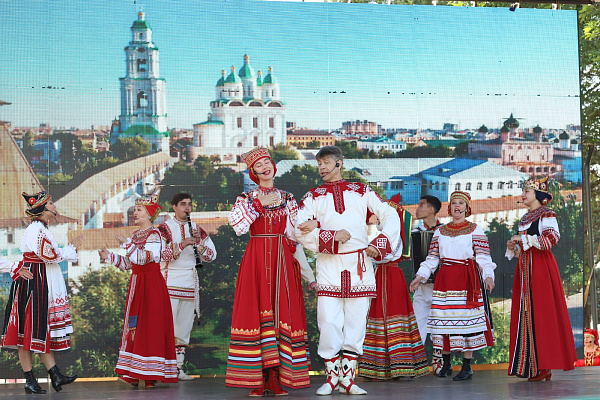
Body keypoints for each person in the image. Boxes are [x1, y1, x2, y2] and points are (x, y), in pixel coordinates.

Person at [295, 145, 400, 395]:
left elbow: (390, 214)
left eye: (326, 162)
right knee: (328, 321)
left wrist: (380, 244)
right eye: (319, 163)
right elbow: (298, 229)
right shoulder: (313, 196)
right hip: (329, 264)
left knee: (356, 323)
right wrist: (331, 235)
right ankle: (332, 378)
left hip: (359, 265)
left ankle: (348, 379)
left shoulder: (361, 190)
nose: (321, 167)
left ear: (339, 163)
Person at [226, 147, 315, 397]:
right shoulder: (245, 198)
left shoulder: (288, 198)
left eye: (267, 162)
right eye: (258, 165)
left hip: (281, 258)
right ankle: (258, 378)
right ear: (253, 173)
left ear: (273, 165)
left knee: (280, 314)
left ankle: (276, 378)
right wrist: (258, 203)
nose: (265, 167)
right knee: (256, 315)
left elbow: (296, 232)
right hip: (256, 257)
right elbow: (239, 227)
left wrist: (314, 225)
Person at [1, 191, 82, 394]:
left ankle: (54, 374)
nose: (55, 207)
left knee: (38, 331)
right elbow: (50, 255)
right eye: (52, 204)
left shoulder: (41, 229)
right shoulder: (36, 229)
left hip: (39, 280)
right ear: (43, 210)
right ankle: (32, 378)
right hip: (33, 283)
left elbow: (49, 255)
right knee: (27, 332)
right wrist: (70, 250)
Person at [410, 190, 495, 382]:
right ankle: (446, 364)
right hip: (444, 279)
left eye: (461, 203)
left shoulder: (476, 230)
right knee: (443, 323)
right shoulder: (440, 232)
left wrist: (488, 276)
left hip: (466, 279)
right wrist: (420, 277)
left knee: (466, 323)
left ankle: (466, 366)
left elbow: (483, 257)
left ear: (467, 208)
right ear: (450, 208)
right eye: (454, 203)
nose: (457, 206)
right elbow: (432, 259)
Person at [99, 189, 178, 389]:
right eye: (135, 210)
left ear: (150, 213)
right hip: (138, 283)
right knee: (135, 327)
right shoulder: (136, 235)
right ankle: (135, 372)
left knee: (150, 327)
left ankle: (149, 375)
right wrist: (109, 256)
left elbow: (143, 258)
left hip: (151, 285)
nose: (135, 213)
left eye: (139, 210)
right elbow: (129, 263)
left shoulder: (155, 234)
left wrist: (127, 244)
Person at [506, 176, 577, 380]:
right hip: (525, 267)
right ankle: (533, 366)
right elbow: (525, 248)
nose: (523, 195)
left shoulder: (547, 214)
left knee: (542, 313)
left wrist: (525, 238)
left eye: (526, 191)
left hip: (541, 267)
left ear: (537, 194)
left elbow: (552, 239)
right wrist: (515, 246)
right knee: (526, 313)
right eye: (523, 191)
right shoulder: (525, 218)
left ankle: (545, 365)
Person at [358, 194, 429, 380]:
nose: (380, 220)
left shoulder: (394, 237)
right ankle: (381, 367)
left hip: (390, 275)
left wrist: (365, 251)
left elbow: (383, 256)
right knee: (380, 315)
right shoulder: (385, 236)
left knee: (392, 316)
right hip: (383, 275)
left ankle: (397, 367)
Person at [160, 193, 217, 381]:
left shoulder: (197, 229)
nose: (187, 208)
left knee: (184, 328)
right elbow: (161, 256)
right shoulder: (164, 229)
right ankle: (160, 369)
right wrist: (183, 244)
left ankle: (178, 368)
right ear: (174, 207)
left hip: (190, 282)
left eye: (189, 204)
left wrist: (198, 244)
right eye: (183, 204)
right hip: (169, 282)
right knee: (165, 327)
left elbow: (212, 256)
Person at [410, 195, 444, 374]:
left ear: (432, 209)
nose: (418, 208)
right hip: (421, 286)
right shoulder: (414, 232)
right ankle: (416, 362)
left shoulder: (444, 231)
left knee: (439, 324)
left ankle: (439, 361)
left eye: (421, 205)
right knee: (417, 323)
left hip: (441, 286)